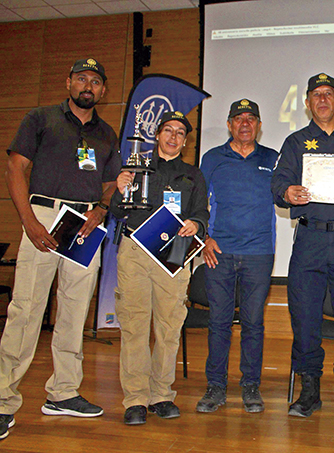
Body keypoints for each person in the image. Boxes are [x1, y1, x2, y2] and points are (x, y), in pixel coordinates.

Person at [0, 58, 120, 440]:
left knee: (74, 312)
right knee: (26, 310)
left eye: (96, 81)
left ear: (103, 90)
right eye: (82, 78)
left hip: (84, 226)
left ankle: (63, 392)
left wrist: (100, 211)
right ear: (68, 82)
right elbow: (15, 169)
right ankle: (3, 400)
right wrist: (30, 223)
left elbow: (112, 182)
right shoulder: (40, 118)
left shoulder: (106, 133)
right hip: (43, 216)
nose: (88, 85)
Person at [271, 73, 334, 420]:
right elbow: (278, 182)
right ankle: (309, 390)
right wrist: (286, 192)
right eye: (317, 95)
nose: (323, 100)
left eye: (329, 94)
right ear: (308, 102)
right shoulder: (297, 141)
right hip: (310, 239)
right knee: (304, 316)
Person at [110, 111, 208, 426]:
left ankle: (161, 395)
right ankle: (136, 399)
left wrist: (197, 223)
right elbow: (115, 209)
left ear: (185, 140)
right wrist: (118, 186)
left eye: (180, 132)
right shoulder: (134, 166)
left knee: (168, 327)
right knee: (135, 326)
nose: (174, 136)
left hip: (174, 253)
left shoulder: (193, 174)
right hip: (135, 251)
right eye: (168, 130)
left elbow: (201, 212)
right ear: (157, 134)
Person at [196, 99, 277, 414]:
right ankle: (215, 387)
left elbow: (285, 195)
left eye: (251, 118)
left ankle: (250, 387)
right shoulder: (213, 158)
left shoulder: (272, 159)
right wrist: (204, 238)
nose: (245, 123)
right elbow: (197, 202)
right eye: (238, 118)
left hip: (259, 253)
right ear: (229, 124)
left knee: (254, 323)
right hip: (220, 252)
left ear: (258, 125)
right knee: (218, 322)